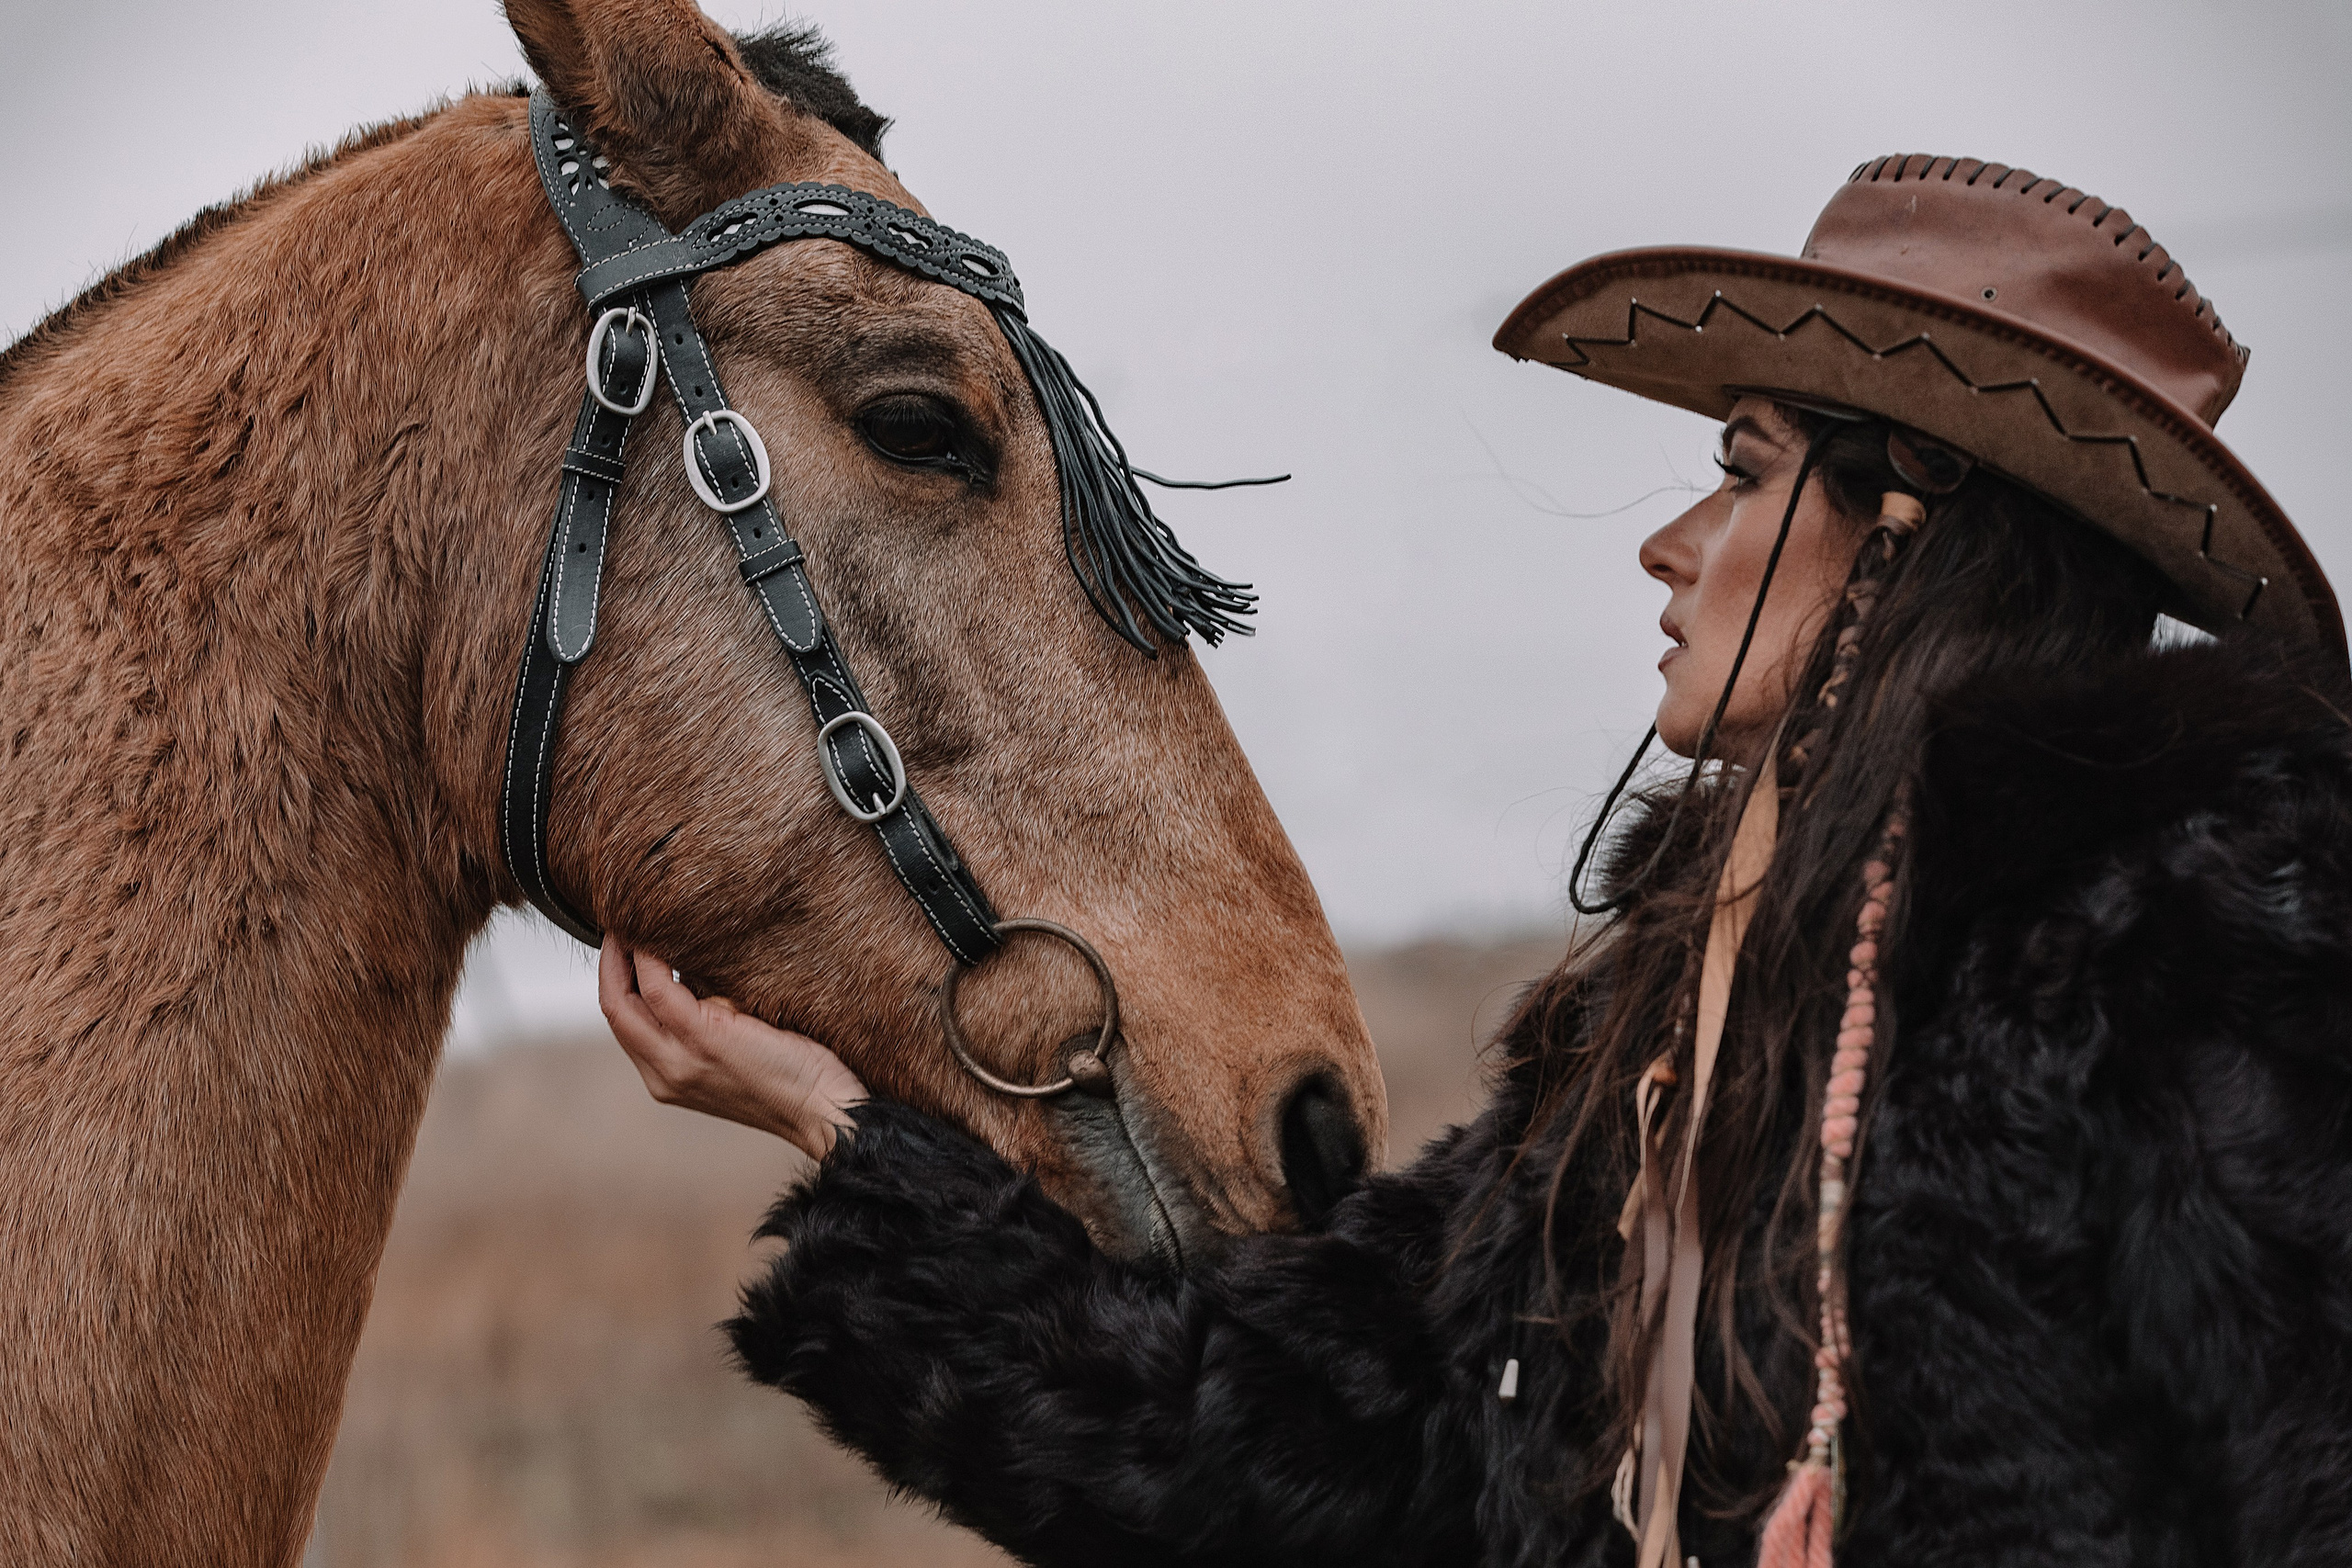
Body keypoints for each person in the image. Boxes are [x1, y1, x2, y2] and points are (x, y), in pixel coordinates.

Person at [599, 154, 2352, 1566]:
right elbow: (1247, 1458)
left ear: (1911, 529)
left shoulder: (2215, 951)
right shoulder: (1652, 1047)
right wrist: (838, 1130)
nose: (1671, 546)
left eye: (1742, 478)